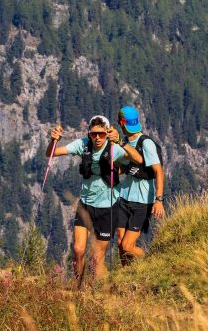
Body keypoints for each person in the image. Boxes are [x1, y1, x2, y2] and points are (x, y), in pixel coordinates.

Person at [46, 115, 143, 286]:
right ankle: (78, 288)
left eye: (101, 134)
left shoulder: (114, 147)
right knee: (78, 250)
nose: (97, 138)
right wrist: (53, 140)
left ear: (106, 133)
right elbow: (52, 153)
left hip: (108, 208)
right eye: (93, 134)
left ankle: (98, 294)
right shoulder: (83, 145)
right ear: (89, 134)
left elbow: (138, 160)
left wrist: (121, 142)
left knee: (97, 258)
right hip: (86, 206)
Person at [115, 106, 165, 265]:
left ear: (122, 123)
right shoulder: (127, 143)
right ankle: (126, 279)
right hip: (124, 197)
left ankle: (152, 262)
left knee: (127, 246)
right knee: (120, 245)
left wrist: (159, 200)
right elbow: (125, 168)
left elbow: (159, 172)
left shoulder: (146, 143)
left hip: (142, 201)